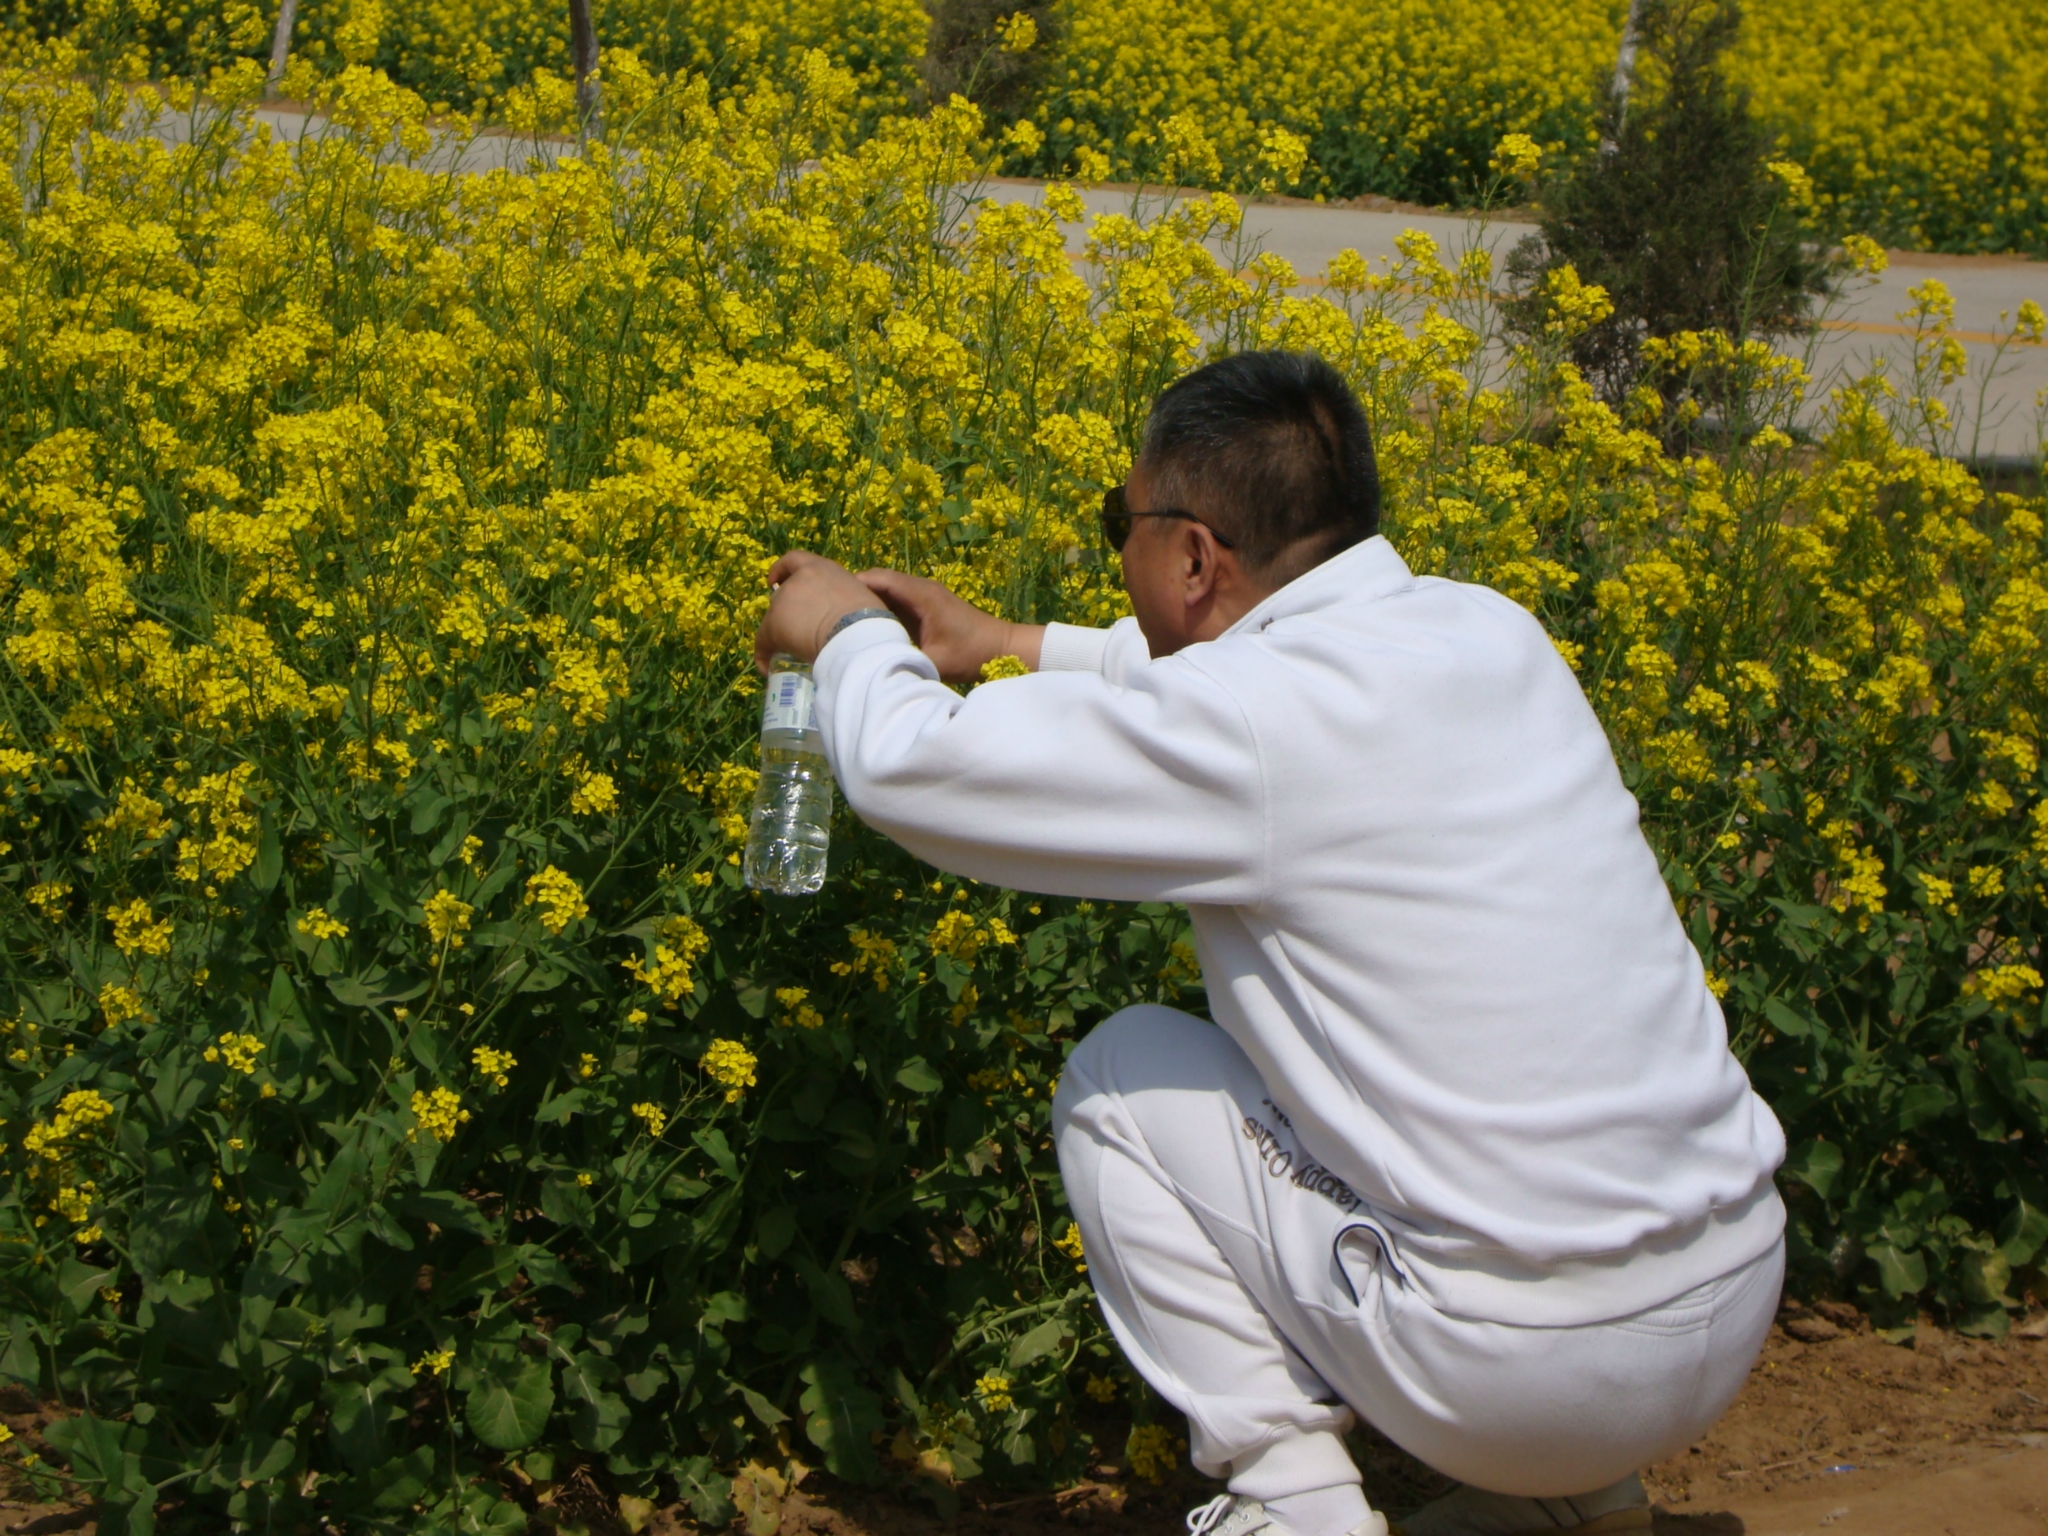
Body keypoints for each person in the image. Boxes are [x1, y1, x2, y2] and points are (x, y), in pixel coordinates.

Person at [751, 350, 1786, 1536]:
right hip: (1730, 1293)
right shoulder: (1484, 630)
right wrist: (1007, 640)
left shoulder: (1252, 726)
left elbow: (911, 770)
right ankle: (1573, 1503)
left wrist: (842, 637)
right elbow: (1238, 680)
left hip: (1523, 1373)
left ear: (1192, 555)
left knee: (1122, 1081)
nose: (1117, 549)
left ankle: (1293, 1509)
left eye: (1118, 524)